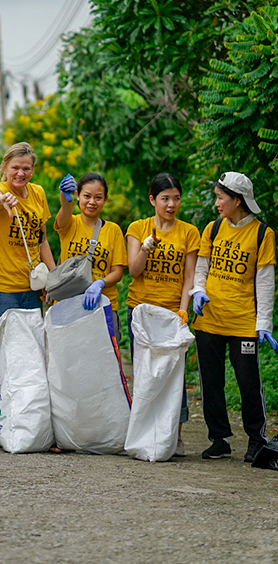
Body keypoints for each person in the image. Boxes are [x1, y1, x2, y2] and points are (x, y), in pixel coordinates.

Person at [190, 171, 276, 462]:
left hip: (242, 322)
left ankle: (256, 439)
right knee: (210, 381)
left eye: (220, 197)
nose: (216, 203)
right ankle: (219, 439)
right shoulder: (213, 228)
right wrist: (197, 292)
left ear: (237, 200)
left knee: (248, 382)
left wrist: (263, 323)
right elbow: (201, 268)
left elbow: (265, 281)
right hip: (210, 319)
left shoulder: (262, 234)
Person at [126, 173, 199, 457]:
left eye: (176, 198)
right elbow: (133, 271)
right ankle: (142, 431)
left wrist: (183, 310)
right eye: (165, 198)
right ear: (152, 200)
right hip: (141, 310)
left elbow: (189, 276)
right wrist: (146, 247)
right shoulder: (137, 227)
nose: (171, 204)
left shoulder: (189, 232)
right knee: (144, 373)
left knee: (173, 376)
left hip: (171, 314)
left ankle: (174, 435)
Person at [0, 142, 54, 326]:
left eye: (26, 168)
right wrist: (3, 199)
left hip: (33, 287)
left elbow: (42, 240)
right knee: (3, 347)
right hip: (2, 289)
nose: (20, 173)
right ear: (5, 167)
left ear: (32, 170)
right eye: (15, 168)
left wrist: (53, 279)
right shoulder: (0, 191)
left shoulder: (37, 193)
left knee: (32, 348)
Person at [55, 172, 127, 339]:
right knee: (69, 362)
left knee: (104, 363)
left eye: (98, 197)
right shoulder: (69, 224)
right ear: (77, 195)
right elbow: (65, 210)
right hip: (68, 306)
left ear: (105, 199)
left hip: (103, 307)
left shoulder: (113, 230)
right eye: (87, 196)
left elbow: (117, 272)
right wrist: (65, 197)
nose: (92, 202)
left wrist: (100, 283)